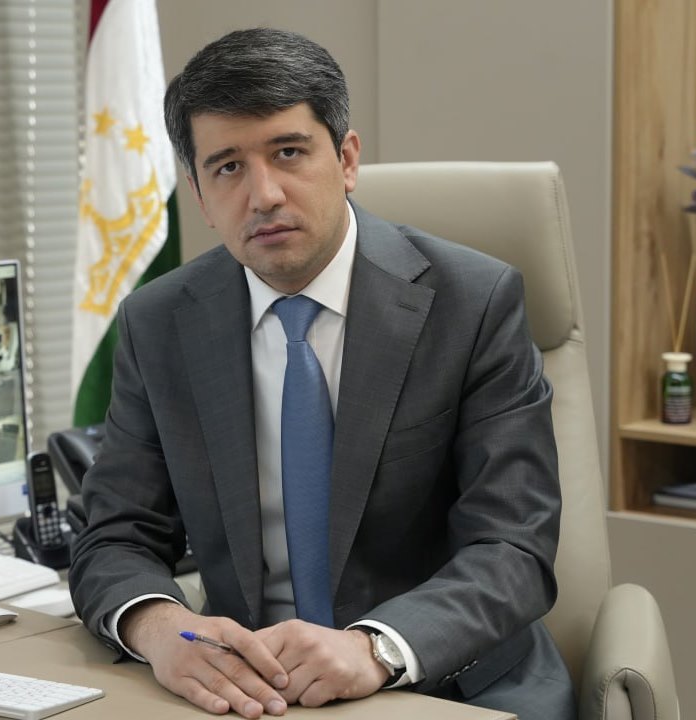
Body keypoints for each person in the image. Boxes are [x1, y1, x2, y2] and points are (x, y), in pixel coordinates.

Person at [70, 27, 575, 720]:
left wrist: (376, 648)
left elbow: (512, 546)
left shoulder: (472, 302)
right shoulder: (159, 322)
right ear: (198, 194)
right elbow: (114, 535)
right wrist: (162, 631)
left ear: (346, 159)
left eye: (288, 152)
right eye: (227, 167)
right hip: (248, 691)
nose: (264, 194)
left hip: (443, 682)